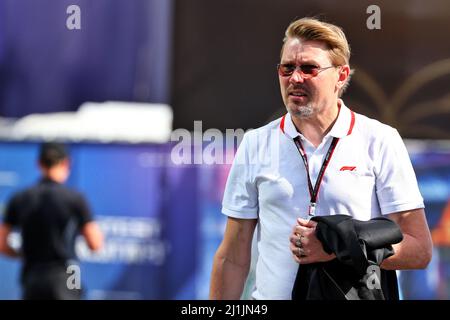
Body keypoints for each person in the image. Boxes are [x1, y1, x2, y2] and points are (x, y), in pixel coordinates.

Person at [209, 17, 433, 300]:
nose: (295, 78)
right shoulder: (256, 143)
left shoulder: (380, 139)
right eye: (287, 68)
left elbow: (419, 251)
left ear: (341, 75)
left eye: (309, 68)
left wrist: (337, 248)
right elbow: (232, 257)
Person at [0, 142, 103, 299]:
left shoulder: (20, 198)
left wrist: (23, 255)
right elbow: (95, 243)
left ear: (39, 163)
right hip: (69, 272)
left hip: (32, 273)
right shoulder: (75, 198)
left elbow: (2, 243)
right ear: (66, 163)